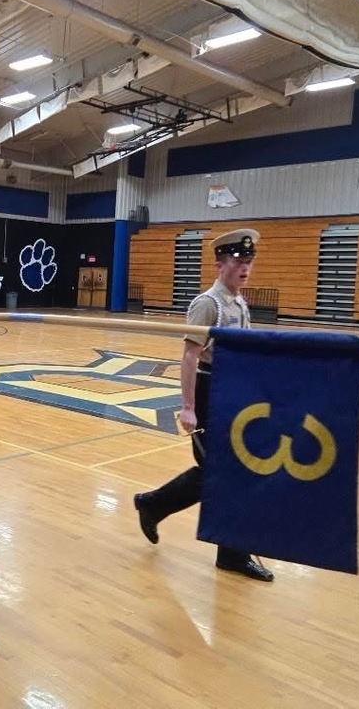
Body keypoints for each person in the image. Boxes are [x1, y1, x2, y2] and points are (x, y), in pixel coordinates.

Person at [133, 228, 274, 582]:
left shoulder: (239, 303)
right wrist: (188, 406)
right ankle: (160, 508)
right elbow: (189, 356)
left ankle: (156, 505)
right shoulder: (207, 303)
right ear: (220, 263)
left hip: (233, 392)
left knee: (229, 471)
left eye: (249, 261)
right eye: (238, 261)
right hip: (209, 391)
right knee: (218, 472)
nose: (245, 267)